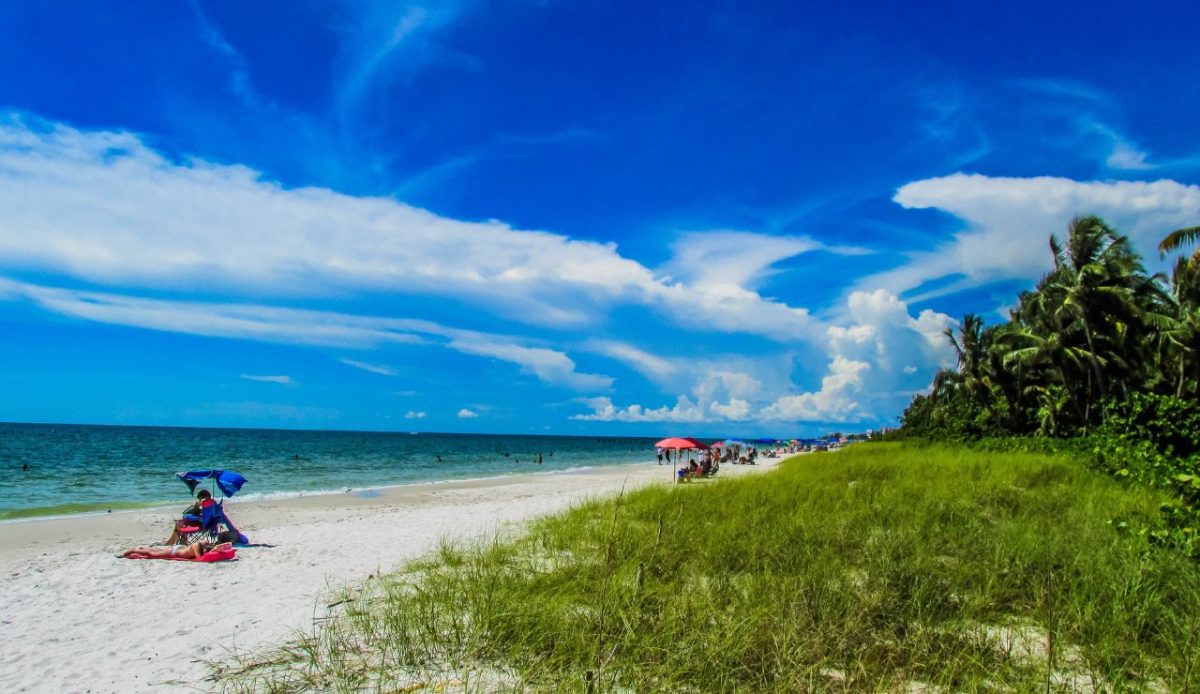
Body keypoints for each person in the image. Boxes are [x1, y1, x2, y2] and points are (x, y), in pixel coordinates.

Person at [121, 540, 230, 560]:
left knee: (156, 550)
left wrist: (216, 549)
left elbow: (228, 545)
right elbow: (199, 558)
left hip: (179, 548)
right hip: (175, 552)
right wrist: (212, 552)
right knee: (152, 554)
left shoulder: (202, 544)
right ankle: (132, 551)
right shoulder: (197, 546)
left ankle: (141, 548)